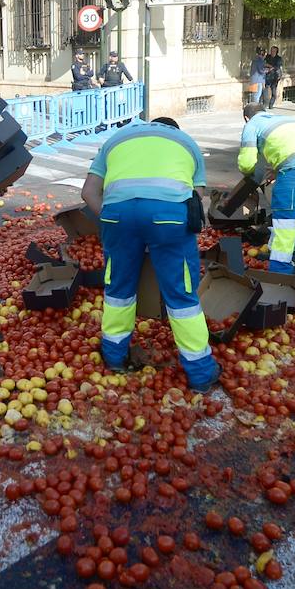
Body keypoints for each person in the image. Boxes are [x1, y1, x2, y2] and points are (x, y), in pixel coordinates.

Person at [80, 117, 217, 393]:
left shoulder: (116, 139)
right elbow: (195, 202)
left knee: (118, 291)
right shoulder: (186, 143)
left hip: (118, 215)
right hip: (168, 217)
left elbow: (88, 193)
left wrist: (117, 224)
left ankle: (114, 357)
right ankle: (201, 373)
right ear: (172, 130)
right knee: (182, 294)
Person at [238, 103, 295, 274]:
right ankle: (288, 248)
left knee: (284, 216)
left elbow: (247, 162)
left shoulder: (251, 125)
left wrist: (248, 174)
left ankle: (280, 267)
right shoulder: (280, 118)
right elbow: (289, 145)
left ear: (246, 118)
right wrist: (277, 169)